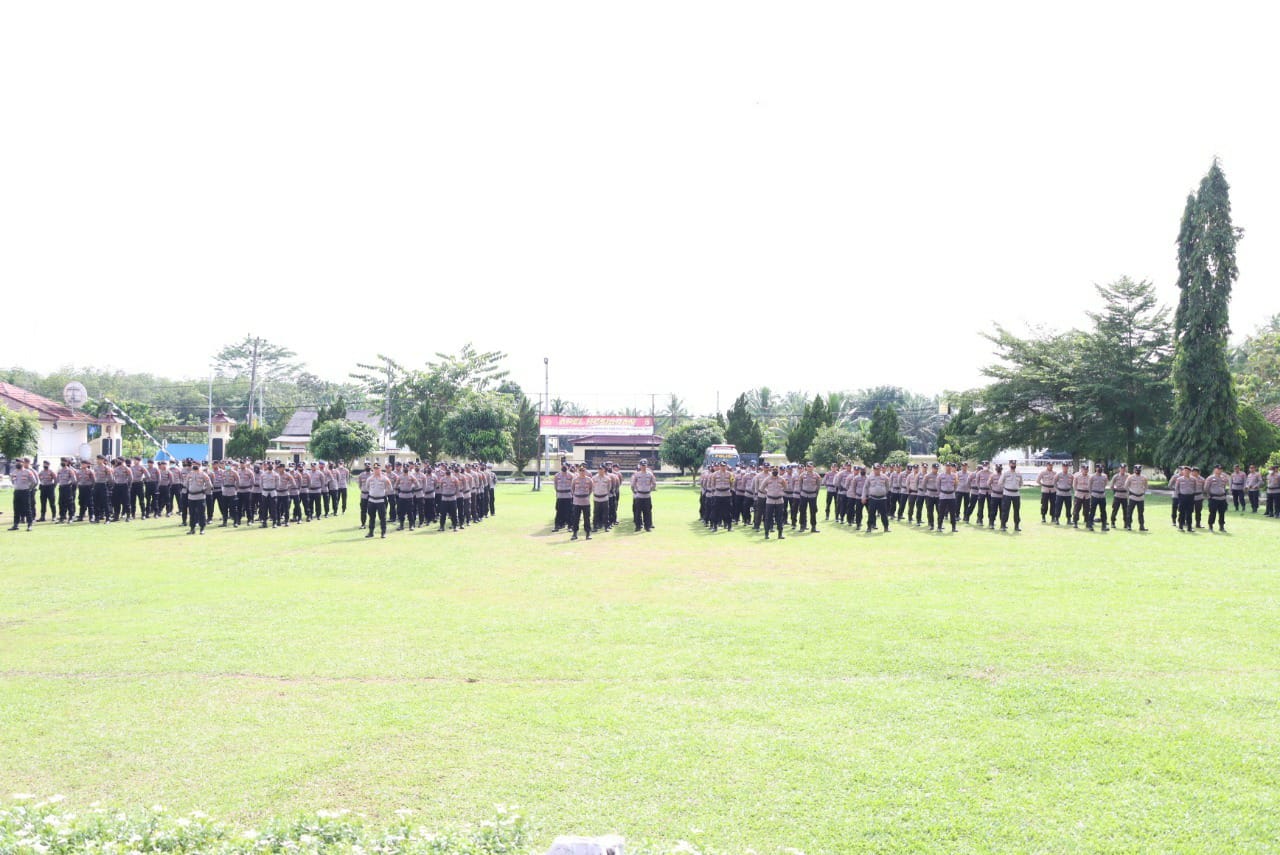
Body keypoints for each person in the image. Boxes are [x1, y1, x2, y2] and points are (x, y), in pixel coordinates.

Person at [8, 458, 37, 531]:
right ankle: (15, 525)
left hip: (25, 492)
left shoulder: (28, 472)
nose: (17, 464)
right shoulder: (14, 472)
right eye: (16, 463)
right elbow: (12, 481)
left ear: (23, 463)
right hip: (17, 492)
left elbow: (34, 482)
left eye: (19, 463)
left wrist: (29, 488)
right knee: (16, 508)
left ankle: (29, 525)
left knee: (27, 509)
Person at [364, 463, 391, 538]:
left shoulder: (384, 478)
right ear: (373, 469)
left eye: (377, 468)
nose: (376, 470)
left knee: (382, 517)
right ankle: (371, 532)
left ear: (380, 469)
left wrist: (385, 493)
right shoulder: (369, 479)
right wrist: (372, 493)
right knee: (371, 517)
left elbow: (390, 487)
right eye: (375, 468)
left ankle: (383, 533)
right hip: (371, 500)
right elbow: (367, 487)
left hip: (381, 501)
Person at [862, 463, 891, 532]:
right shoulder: (869, 477)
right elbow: (865, 487)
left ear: (880, 469)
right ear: (873, 469)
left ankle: (886, 527)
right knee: (871, 513)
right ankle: (869, 527)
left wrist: (883, 492)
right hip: (872, 498)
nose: (877, 470)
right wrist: (863, 497)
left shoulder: (884, 477)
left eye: (878, 469)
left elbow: (887, 486)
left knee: (884, 514)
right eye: (875, 469)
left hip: (882, 499)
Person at [630, 459, 657, 532]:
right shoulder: (637, 474)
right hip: (639, 496)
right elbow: (632, 485)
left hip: (647, 496)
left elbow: (654, 483)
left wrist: (650, 490)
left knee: (647, 512)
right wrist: (635, 492)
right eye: (642, 466)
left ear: (646, 466)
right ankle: (638, 526)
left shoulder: (650, 474)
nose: (643, 467)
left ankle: (647, 526)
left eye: (644, 466)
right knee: (638, 512)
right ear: (640, 466)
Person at [761, 466, 787, 539]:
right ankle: (766, 534)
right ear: (771, 471)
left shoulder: (782, 479)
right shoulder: (767, 479)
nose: (775, 471)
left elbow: (785, 487)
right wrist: (768, 492)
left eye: (776, 470)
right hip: (770, 501)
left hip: (779, 501)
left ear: (778, 471)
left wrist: (780, 492)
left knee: (779, 518)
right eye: (773, 470)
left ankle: (780, 534)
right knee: (768, 518)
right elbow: (761, 488)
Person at [569, 465, 593, 540]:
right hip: (577, 502)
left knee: (587, 518)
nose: (582, 472)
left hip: (586, 502)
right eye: (581, 470)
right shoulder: (575, 479)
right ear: (579, 471)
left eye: (583, 471)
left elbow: (591, 489)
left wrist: (587, 495)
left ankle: (588, 533)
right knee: (576, 518)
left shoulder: (589, 480)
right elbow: (572, 489)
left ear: (585, 472)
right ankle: (574, 534)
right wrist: (576, 496)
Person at [186, 463, 211, 535]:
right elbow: (186, 483)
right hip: (191, 497)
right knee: (192, 513)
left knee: (201, 513)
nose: (195, 469)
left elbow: (209, 485)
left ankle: (202, 529)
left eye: (196, 466)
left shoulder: (203, 474)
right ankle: (192, 529)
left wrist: (205, 490)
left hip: (200, 496)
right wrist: (189, 490)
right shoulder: (190, 474)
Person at [1205, 465, 1230, 531]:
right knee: (1212, 513)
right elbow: (1206, 488)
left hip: (1222, 498)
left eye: (1220, 469)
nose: (1219, 470)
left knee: (1222, 513)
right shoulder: (1210, 478)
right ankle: (1210, 526)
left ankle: (1221, 526)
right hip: (1213, 498)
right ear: (1214, 470)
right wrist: (1209, 495)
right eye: (1217, 469)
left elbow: (1226, 486)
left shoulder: (1223, 478)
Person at [999, 460, 1022, 532]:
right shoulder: (1006, 473)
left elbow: (1021, 483)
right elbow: (1000, 482)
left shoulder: (1018, 474)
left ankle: (1017, 525)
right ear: (1009, 464)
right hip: (1007, 494)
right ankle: (1003, 525)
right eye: (1012, 464)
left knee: (1017, 510)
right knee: (1005, 510)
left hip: (1016, 494)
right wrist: (1006, 488)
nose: (1013, 465)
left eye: (1014, 464)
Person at [799, 463, 821, 533]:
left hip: (812, 495)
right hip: (804, 495)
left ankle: (813, 527)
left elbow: (818, 485)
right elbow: (800, 484)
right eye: (808, 467)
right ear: (806, 467)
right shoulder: (802, 475)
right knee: (802, 511)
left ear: (813, 467)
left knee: (813, 511)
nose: (809, 468)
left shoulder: (817, 475)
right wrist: (801, 492)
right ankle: (802, 526)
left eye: (811, 467)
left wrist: (816, 494)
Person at [1125, 465, 1148, 531]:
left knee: (1141, 513)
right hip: (1132, 497)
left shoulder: (1144, 477)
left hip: (1140, 498)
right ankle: (1129, 525)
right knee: (1130, 512)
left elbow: (1146, 486)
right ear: (1134, 470)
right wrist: (1129, 492)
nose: (1138, 471)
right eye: (1136, 470)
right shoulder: (1130, 477)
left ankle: (1141, 526)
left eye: (1139, 470)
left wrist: (1143, 492)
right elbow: (1126, 486)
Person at [936, 463, 958, 532]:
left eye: (949, 466)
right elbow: (938, 485)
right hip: (943, 496)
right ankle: (939, 526)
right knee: (941, 512)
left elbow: (956, 485)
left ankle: (953, 527)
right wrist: (940, 493)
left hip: (951, 496)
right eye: (947, 466)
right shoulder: (940, 475)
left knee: (952, 512)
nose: (948, 468)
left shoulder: (954, 475)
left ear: (951, 467)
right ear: (945, 467)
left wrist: (953, 491)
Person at [1174, 465, 1197, 531]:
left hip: (1190, 497)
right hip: (1182, 497)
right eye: (1185, 471)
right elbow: (1176, 488)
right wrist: (1179, 496)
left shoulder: (1193, 479)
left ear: (1190, 472)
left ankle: (1189, 527)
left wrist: (1192, 493)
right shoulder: (1179, 479)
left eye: (1188, 471)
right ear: (1183, 471)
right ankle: (1180, 526)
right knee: (1181, 512)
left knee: (1190, 512)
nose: (1186, 472)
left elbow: (1195, 488)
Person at [1087, 465, 1109, 532]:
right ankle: (1090, 525)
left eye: (1101, 468)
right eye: (1098, 468)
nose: (1100, 469)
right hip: (1094, 495)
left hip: (1102, 495)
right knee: (1092, 511)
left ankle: (1104, 525)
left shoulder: (1104, 476)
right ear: (1096, 468)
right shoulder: (1092, 476)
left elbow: (1105, 484)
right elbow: (1089, 486)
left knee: (1103, 511)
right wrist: (1092, 494)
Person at [55, 459, 77, 523]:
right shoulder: (60, 470)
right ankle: (62, 517)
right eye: (61, 461)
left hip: (68, 487)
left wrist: (71, 487)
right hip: (61, 487)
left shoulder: (70, 470)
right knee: (61, 502)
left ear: (67, 462)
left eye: (64, 461)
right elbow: (57, 479)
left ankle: (71, 517)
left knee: (69, 503)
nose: (62, 462)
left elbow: (74, 480)